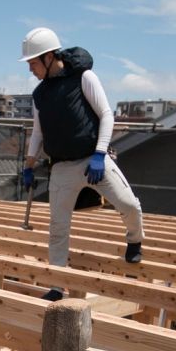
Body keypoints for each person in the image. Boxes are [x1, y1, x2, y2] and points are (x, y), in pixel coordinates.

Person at [19, 27, 144, 301]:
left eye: (33, 63)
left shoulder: (83, 78)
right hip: (61, 167)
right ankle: (57, 285)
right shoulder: (40, 95)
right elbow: (38, 132)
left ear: (49, 56)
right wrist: (29, 165)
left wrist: (100, 154)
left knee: (128, 205)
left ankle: (135, 239)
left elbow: (106, 114)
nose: (30, 69)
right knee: (57, 228)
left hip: (93, 159)